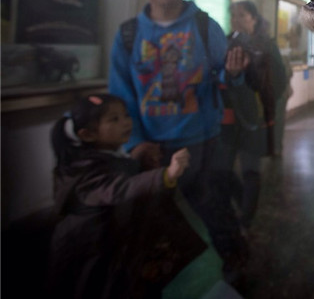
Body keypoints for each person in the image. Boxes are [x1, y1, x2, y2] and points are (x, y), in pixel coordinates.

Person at [107, 0, 249, 280]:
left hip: (202, 142)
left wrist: (236, 72)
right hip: (153, 147)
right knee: (154, 217)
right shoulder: (129, 35)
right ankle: (157, 276)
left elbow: (225, 76)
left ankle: (236, 260)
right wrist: (137, 143)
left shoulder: (203, 26)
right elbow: (122, 94)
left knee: (213, 208)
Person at [46, 94, 202, 299]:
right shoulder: (84, 172)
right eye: (114, 119)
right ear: (88, 135)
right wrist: (166, 175)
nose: (126, 122)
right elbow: (120, 189)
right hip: (89, 249)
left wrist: (139, 161)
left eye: (126, 115)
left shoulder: (107, 154)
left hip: (110, 242)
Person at [222, 0, 288, 227]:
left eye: (242, 15)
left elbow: (279, 80)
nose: (236, 19)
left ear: (254, 18)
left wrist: (260, 93)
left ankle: (246, 218)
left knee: (250, 168)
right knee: (222, 168)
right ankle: (242, 204)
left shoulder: (267, 46)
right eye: (233, 15)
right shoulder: (226, 43)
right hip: (228, 116)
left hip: (254, 115)